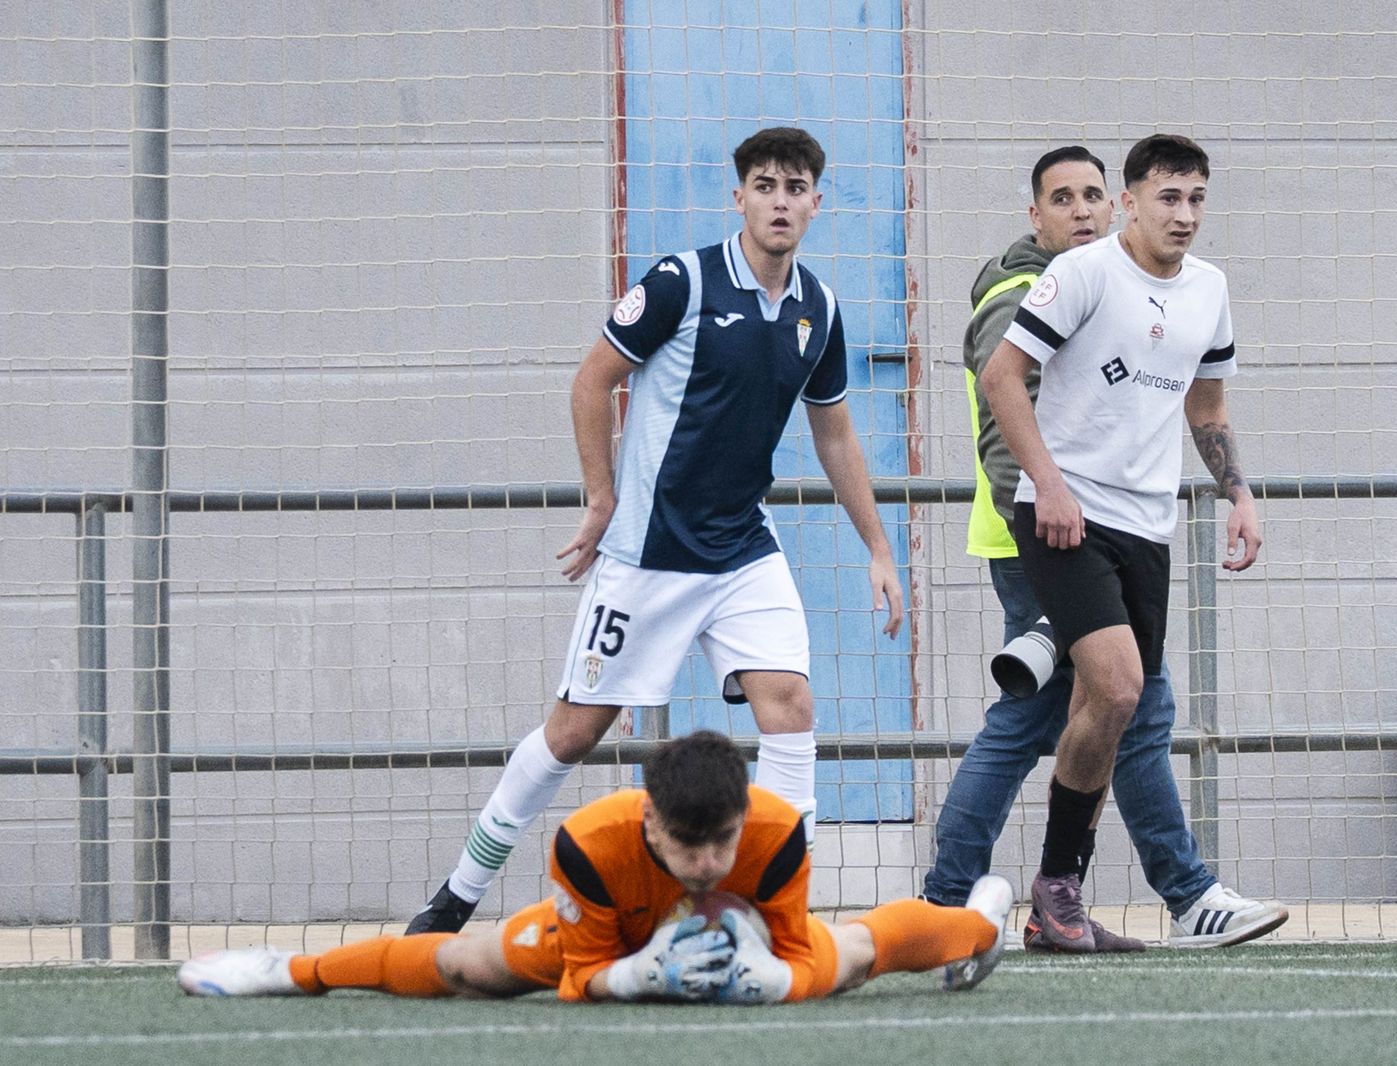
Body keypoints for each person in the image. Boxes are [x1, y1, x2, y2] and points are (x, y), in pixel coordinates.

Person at [404, 127, 904, 934]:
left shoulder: (821, 306)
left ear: (817, 202)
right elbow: (592, 382)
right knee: (572, 734)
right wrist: (601, 499)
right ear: (737, 196)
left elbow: (835, 433)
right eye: (766, 185)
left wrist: (879, 547)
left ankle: (784, 915)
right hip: (650, 555)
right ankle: (456, 895)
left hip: (743, 547)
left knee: (792, 710)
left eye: (796, 186)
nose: (781, 200)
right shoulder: (684, 282)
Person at [924, 145, 1285, 951]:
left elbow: (1208, 402)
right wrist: (1047, 489)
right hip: (1054, 527)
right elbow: (1000, 384)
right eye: (1168, 197)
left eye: (1197, 198)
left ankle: (1045, 905)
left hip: (1142, 531)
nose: (1184, 214)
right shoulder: (1060, 280)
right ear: (1134, 203)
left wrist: (1238, 491)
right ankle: (1167, 895)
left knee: (1106, 711)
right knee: (1122, 697)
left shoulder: (1208, 290)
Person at [178, 731, 1012, 1003]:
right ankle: (289, 971)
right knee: (472, 964)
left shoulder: (775, 833)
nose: (708, 861)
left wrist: (764, 976)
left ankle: (983, 919)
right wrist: (639, 972)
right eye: (690, 847)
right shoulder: (588, 843)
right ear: (649, 820)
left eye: (721, 842)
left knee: (860, 951)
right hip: (626, 936)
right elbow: (580, 979)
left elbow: (796, 958)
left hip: (749, 940)